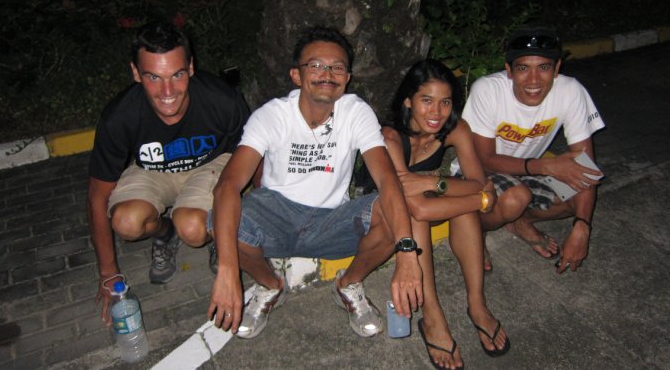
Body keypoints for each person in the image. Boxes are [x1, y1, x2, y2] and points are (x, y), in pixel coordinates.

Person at [207, 26, 423, 339]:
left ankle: (349, 283)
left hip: (332, 220)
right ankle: (270, 285)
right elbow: (228, 185)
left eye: (337, 67)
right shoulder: (272, 115)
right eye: (317, 65)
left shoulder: (356, 112)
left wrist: (406, 251)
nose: (327, 74)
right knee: (218, 220)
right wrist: (228, 270)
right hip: (276, 214)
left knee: (393, 212)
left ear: (347, 78)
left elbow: (387, 179)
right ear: (296, 75)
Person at [87, 21, 250, 323]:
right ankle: (165, 232)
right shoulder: (120, 116)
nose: (167, 91)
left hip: (211, 164)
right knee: (126, 221)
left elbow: (253, 158)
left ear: (191, 67)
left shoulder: (222, 99)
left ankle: (215, 235)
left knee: (194, 228)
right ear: (136, 73)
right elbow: (98, 195)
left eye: (177, 74)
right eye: (153, 77)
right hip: (152, 169)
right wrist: (108, 273)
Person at [379, 59, 510, 369]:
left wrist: (433, 183)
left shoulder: (455, 129)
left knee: (463, 206)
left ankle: (477, 305)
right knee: (428, 209)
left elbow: (476, 181)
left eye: (445, 102)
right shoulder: (390, 137)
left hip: (423, 200)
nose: (436, 112)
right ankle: (432, 315)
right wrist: (479, 198)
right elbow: (417, 206)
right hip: (385, 211)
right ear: (408, 101)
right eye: (426, 100)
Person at [460, 26, 605, 273]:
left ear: (557, 69)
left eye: (544, 67)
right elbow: (483, 159)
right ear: (509, 71)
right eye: (523, 68)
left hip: (528, 171)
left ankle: (520, 221)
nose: (534, 80)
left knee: (578, 198)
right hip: (480, 172)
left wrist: (582, 226)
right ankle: (476, 229)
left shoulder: (571, 90)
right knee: (516, 198)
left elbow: (586, 167)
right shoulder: (487, 90)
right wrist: (545, 166)